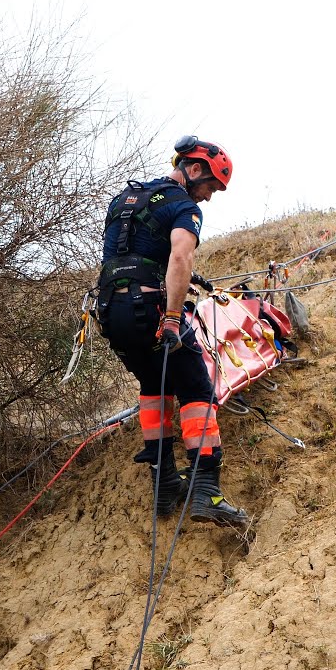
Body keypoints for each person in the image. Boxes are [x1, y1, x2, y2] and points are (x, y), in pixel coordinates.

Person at [93, 136, 249, 530]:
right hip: (150, 311)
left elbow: (133, 255)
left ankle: (164, 485)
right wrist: (174, 318)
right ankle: (206, 491)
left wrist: (180, 278)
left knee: (154, 381)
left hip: (112, 312)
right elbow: (180, 254)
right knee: (197, 387)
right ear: (194, 170)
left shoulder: (125, 200)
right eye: (211, 187)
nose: (209, 198)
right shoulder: (182, 205)